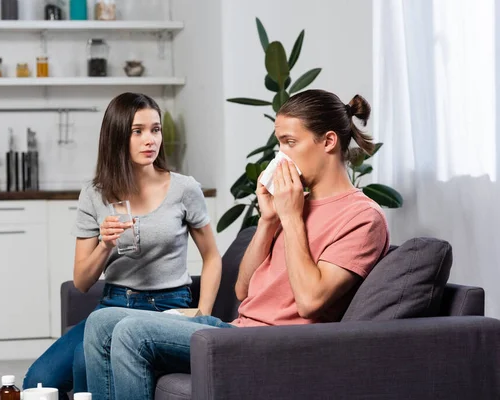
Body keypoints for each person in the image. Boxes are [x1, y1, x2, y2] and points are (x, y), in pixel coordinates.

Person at [82, 89, 391, 399]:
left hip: (279, 344)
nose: (281, 156)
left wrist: (292, 218)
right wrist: (269, 221)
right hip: (239, 330)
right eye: (279, 143)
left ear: (328, 141)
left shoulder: (361, 217)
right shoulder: (293, 203)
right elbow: (243, 290)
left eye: (290, 143)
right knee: (101, 322)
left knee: (131, 332)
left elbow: (310, 301)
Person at [23, 92, 222, 399]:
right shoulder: (94, 194)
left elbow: (211, 256)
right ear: (117, 137)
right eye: (137, 131)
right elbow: (81, 280)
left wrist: (203, 313)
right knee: (38, 381)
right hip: (113, 304)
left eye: (155, 130)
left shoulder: (184, 188)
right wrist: (105, 244)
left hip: (168, 308)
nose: (150, 140)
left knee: (82, 362)